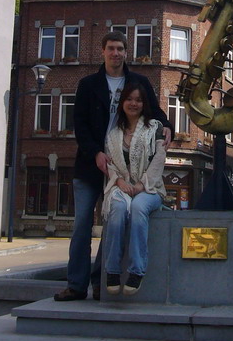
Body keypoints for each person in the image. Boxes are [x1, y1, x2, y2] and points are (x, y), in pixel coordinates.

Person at [54, 31, 171, 302]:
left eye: (120, 48)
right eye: (111, 48)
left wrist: (168, 128)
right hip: (91, 164)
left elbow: (156, 113)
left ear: (126, 52)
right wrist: (95, 152)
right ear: (103, 51)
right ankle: (76, 285)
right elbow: (80, 125)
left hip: (125, 167)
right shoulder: (88, 84)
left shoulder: (138, 83)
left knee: (114, 221)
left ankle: (100, 282)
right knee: (82, 225)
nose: (116, 53)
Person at [101, 82, 167, 295]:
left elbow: (159, 159)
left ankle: (136, 271)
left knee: (138, 208)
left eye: (138, 100)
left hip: (150, 189)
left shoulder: (155, 128)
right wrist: (119, 182)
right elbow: (109, 163)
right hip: (121, 187)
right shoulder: (113, 134)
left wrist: (142, 184)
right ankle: (112, 271)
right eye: (129, 99)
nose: (133, 103)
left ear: (144, 103)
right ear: (122, 103)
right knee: (118, 209)